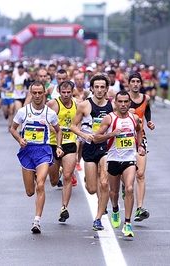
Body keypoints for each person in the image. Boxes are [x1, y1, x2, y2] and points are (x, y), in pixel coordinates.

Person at [10, 81, 63, 234]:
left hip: (44, 151)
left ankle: (37, 221)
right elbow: (13, 129)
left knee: (41, 185)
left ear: (44, 94)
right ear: (31, 93)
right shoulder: (23, 112)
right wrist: (20, 140)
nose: (38, 96)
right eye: (35, 93)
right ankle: (34, 175)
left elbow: (58, 131)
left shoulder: (49, 113)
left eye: (41, 93)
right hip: (27, 152)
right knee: (30, 191)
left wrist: (58, 147)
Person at [94, 90, 145, 237]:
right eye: (120, 102)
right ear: (115, 103)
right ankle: (115, 209)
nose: (123, 105)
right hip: (113, 159)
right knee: (114, 191)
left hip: (129, 159)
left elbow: (139, 130)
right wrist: (111, 134)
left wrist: (140, 146)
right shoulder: (109, 119)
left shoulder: (134, 118)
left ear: (129, 103)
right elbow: (96, 138)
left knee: (129, 188)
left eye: (125, 102)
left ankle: (127, 223)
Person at [69, 73, 113, 231]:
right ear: (92, 88)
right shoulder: (84, 105)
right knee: (92, 188)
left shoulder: (112, 106)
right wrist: (84, 135)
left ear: (107, 88)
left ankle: (98, 218)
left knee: (104, 182)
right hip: (89, 147)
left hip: (106, 147)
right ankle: (96, 188)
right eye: (97, 87)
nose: (100, 90)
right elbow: (73, 126)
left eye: (102, 87)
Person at [123, 72, 156, 222]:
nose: (135, 84)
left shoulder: (145, 98)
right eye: (133, 81)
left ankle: (139, 208)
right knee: (124, 174)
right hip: (123, 138)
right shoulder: (123, 99)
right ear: (128, 83)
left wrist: (148, 121)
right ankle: (125, 185)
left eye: (138, 81)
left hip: (140, 138)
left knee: (140, 173)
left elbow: (146, 109)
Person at [46, 81, 78, 223]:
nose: (66, 95)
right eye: (63, 92)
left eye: (68, 92)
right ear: (59, 91)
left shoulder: (77, 104)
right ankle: (58, 167)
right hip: (53, 144)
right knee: (53, 181)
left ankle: (64, 207)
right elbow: (44, 120)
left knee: (67, 176)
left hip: (70, 143)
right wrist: (56, 130)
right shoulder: (53, 104)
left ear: (72, 92)